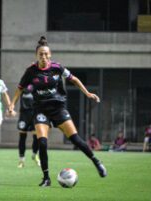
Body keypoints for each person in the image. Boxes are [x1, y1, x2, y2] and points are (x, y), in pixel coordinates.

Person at [9, 36, 107, 187]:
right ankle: (46, 178)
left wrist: (87, 93)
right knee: (42, 142)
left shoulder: (57, 67)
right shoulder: (30, 71)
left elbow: (74, 79)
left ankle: (97, 162)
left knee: (75, 139)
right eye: (41, 54)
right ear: (37, 55)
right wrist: (11, 105)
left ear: (50, 54)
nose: (44, 56)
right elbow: (20, 89)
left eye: (46, 54)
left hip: (58, 109)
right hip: (41, 110)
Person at [17, 85, 40, 168]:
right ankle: (21, 160)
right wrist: (11, 106)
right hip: (24, 115)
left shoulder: (38, 84)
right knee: (22, 136)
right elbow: (17, 95)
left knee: (37, 136)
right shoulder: (23, 85)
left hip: (35, 114)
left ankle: (34, 155)